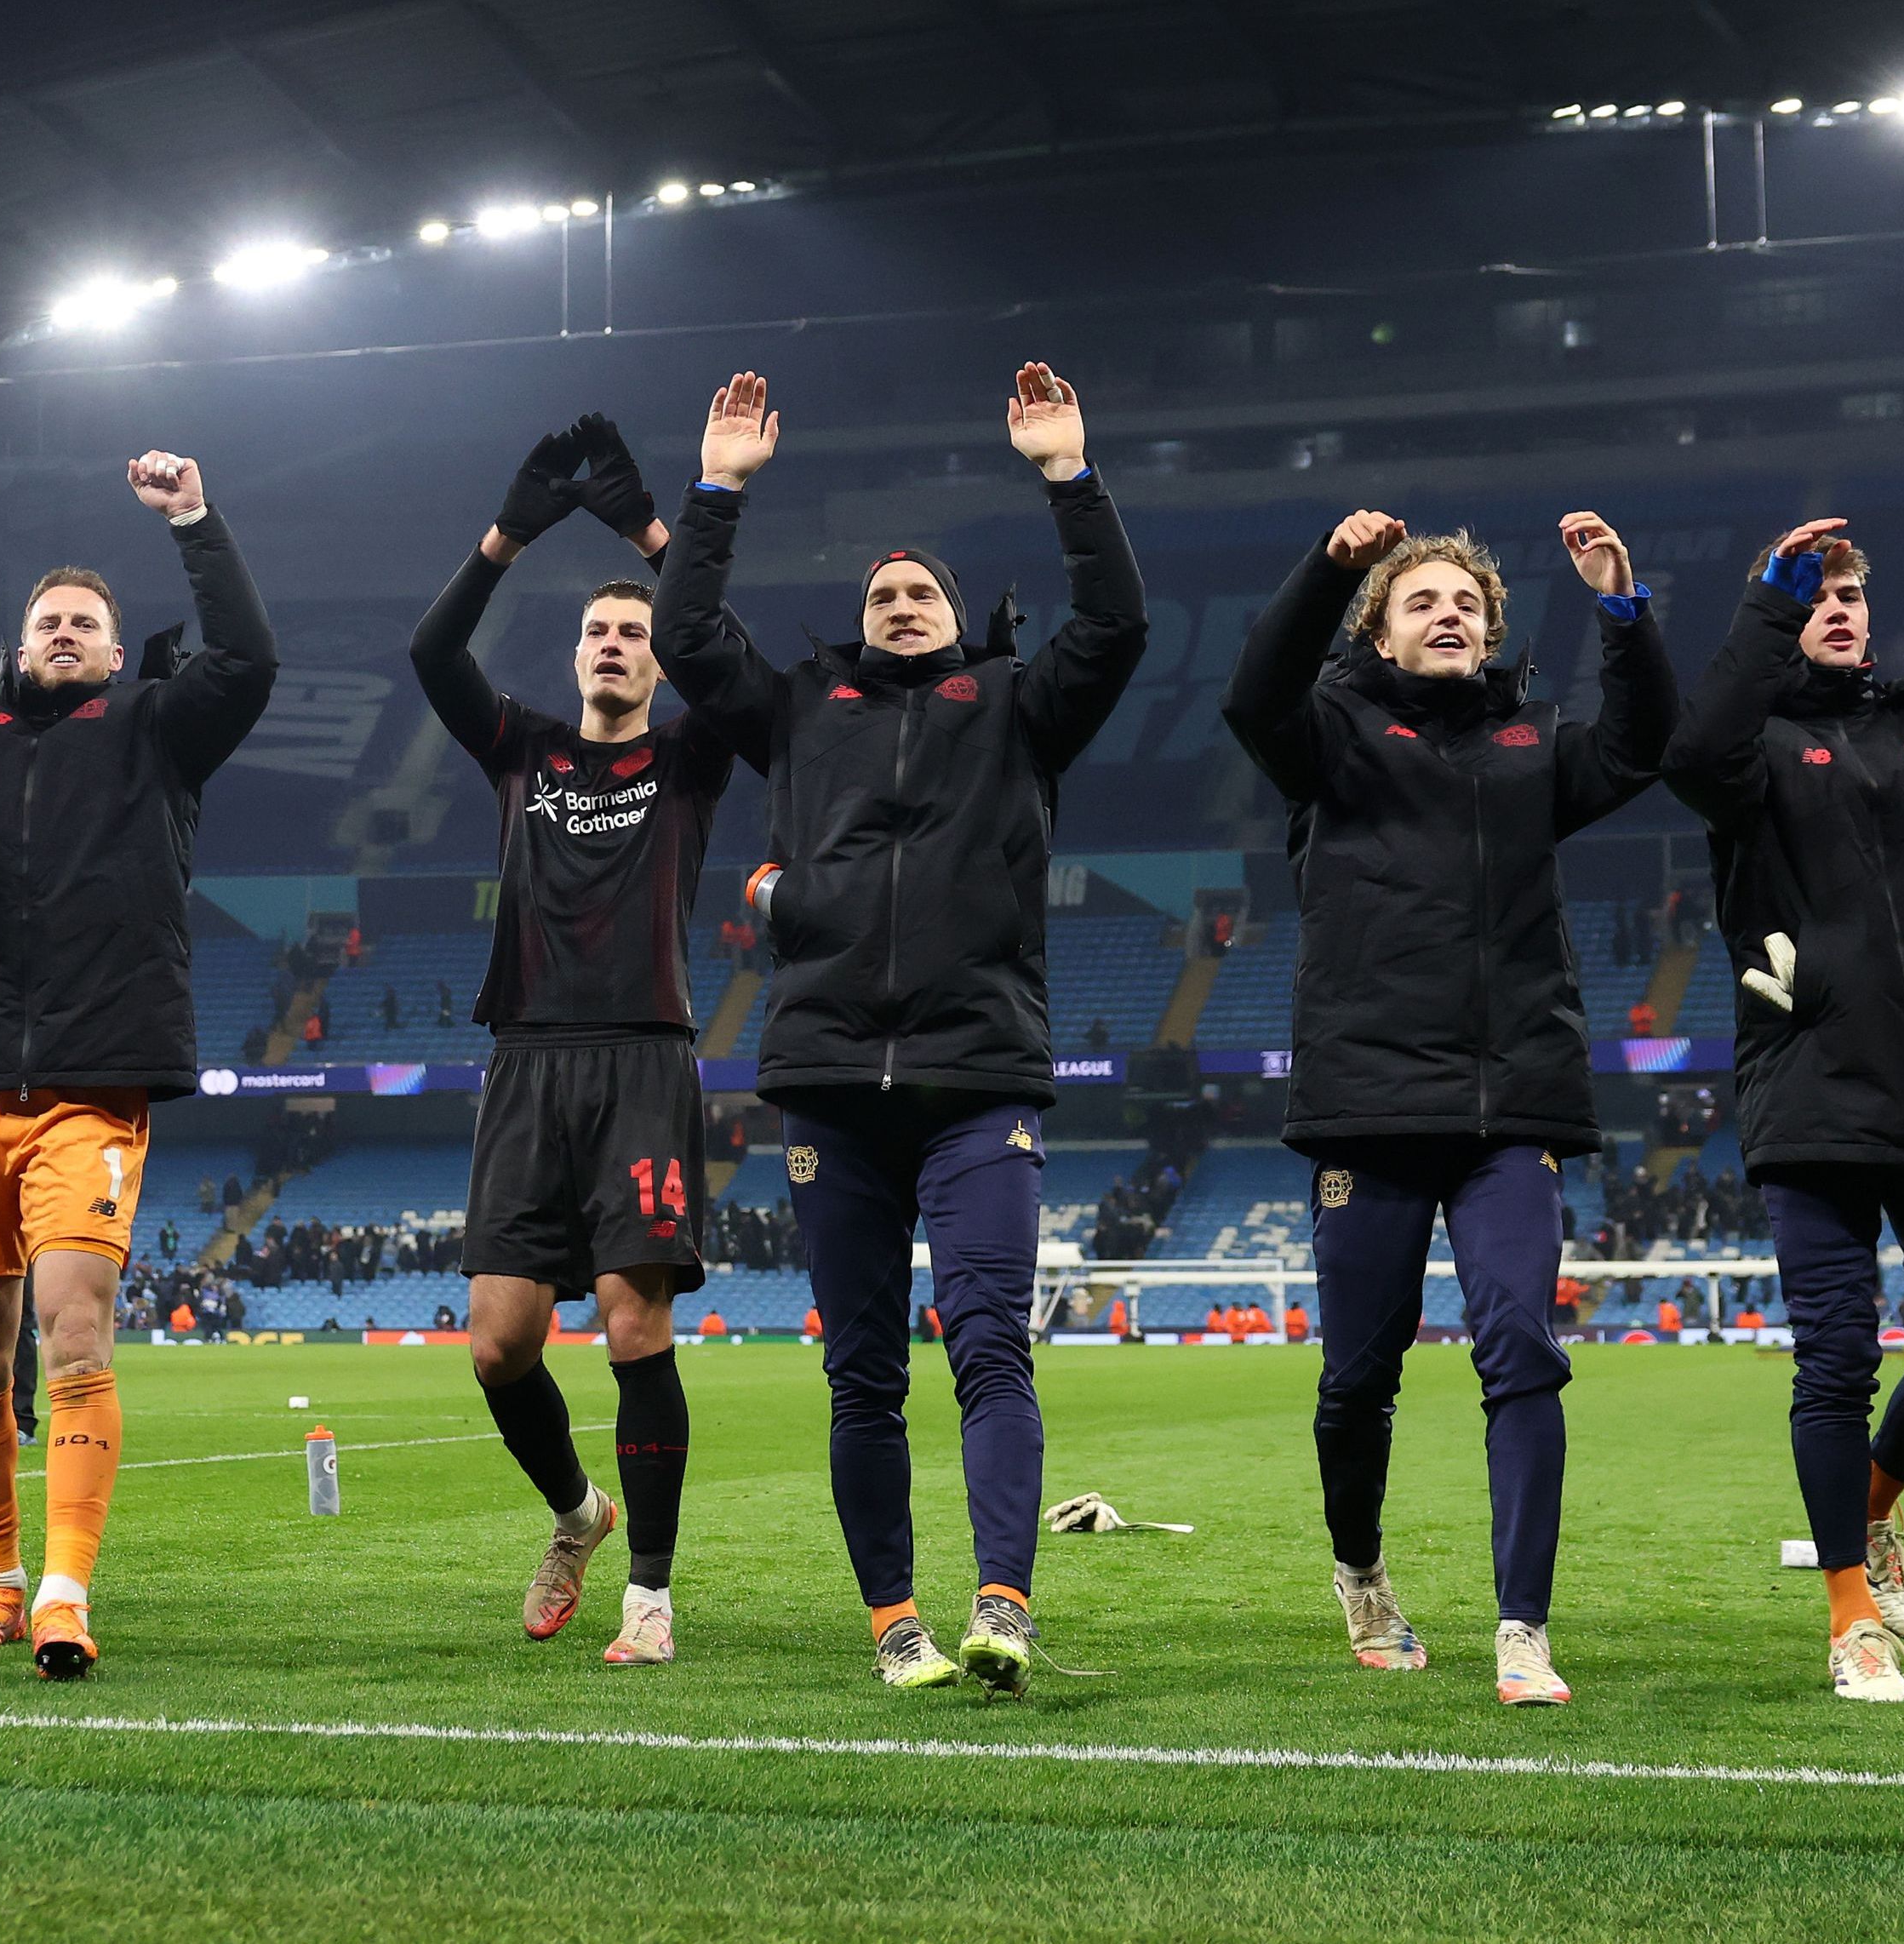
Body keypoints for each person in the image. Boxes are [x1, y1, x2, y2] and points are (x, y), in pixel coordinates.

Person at [655, 365, 1146, 1693]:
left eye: (920, 589)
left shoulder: (1015, 710)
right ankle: (894, 1620)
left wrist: (1067, 476)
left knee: (990, 1347)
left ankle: (1004, 1600)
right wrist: (715, 491)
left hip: (977, 1077)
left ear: (953, 615)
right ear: (857, 622)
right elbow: (690, 639)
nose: (900, 602)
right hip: (826, 1084)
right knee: (863, 1373)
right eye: (880, 593)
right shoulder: (803, 708)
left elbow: (1112, 624)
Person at [1225, 498, 1672, 1709]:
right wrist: (1326, 569)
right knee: (1356, 1380)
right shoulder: (1328, 732)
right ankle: (1361, 1571)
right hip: (1367, 1098)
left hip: (1510, 1100)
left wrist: (1621, 611)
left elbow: (1638, 749)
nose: (1449, 615)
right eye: (1421, 600)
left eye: (1466, 604)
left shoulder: (1534, 740)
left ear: (1489, 631)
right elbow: (1252, 695)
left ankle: (1521, 1626)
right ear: (1379, 631)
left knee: (1521, 1347)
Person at [0, 447, 277, 1678]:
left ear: (109, 642)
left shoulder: (156, 727)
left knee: (73, 1336)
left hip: (92, 1083)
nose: (69, 633)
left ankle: (63, 1591)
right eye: (49, 621)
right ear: (22, 645)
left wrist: (194, 517)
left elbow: (246, 659)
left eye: (87, 621)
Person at [1663, 519, 1904, 1704]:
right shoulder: (1753, 743)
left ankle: (1876, 1509)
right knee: (1835, 1354)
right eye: (1812, 596)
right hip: (1813, 1085)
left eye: (1847, 596)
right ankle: (1848, 1616)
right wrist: (1762, 608)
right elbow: (1687, 754)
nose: (1837, 609)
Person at [410, 411, 723, 1667]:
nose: (612, 643)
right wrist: (507, 534)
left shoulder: (692, 757)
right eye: (597, 628)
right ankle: (577, 1514)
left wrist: (658, 535)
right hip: (527, 1060)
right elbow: (432, 651)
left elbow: (737, 658)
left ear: (658, 660)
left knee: (635, 1327)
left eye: (635, 632)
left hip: (643, 1058)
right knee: (498, 1345)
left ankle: (649, 1587)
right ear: (575, 650)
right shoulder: (524, 749)